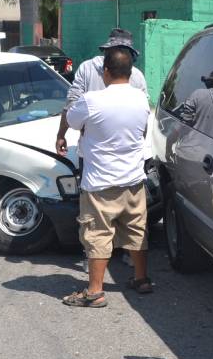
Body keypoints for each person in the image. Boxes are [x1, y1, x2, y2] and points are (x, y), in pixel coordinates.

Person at [61, 47, 152, 307]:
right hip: (133, 179)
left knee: (97, 234)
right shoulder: (141, 99)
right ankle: (141, 279)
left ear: (106, 72)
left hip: (100, 182)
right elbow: (142, 132)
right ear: (130, 72)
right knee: (136, 229)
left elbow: (72, 120)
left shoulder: (92, 100)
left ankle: (95, 291)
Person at [55, 28, 148, 156]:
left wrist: (61, 135)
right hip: (119, 157)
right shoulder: (88, 69)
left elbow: (71, 107)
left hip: (97, 156)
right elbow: (72, 104)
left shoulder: (137, 76)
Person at [172, 69, 213, 137]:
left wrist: (171, 138)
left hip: (191, 142)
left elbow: (184, 123)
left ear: (209, 82)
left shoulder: (198, 94)